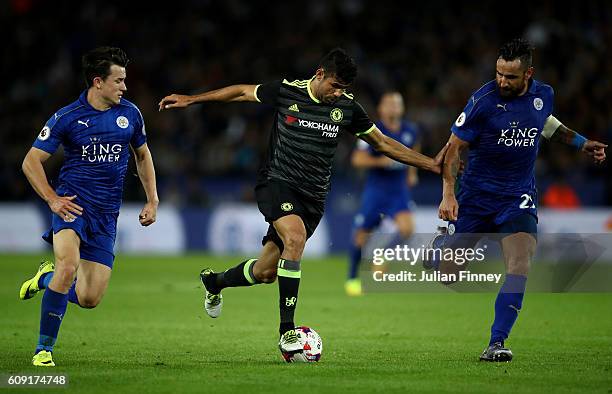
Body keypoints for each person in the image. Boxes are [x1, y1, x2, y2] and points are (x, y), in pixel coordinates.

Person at [159, 48, 448, 357]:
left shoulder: (348, 109)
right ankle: (287, 332)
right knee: (294, 239)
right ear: (319, 74)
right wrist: (193, 99)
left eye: (344, 89)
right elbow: (242, 92)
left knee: (266, 272)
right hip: (277, 183)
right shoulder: (287, 92)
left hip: (312, 198)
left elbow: (383, 143)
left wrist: (428, 163)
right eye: (335, 86)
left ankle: (214, 282)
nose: (338, 93)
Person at [436, 38, 607, 362]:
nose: (502, 81)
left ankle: (496, 343)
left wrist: (582, 143)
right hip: (476, 196)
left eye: (510, 77)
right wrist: (448, 193)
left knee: (520, 262)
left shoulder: (544, 95)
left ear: (528, 73)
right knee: (449, 274)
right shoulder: (482, 101)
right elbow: (453, 149)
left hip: (518, 196)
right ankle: (438, 250)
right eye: (499, 73)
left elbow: (546, 124)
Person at [20, 47, 159, 367]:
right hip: (73, 207)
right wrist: (52, 199)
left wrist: (152, 199)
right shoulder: (67, 117)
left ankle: (45, 279)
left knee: (89, 298)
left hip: (107, 215)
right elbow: (31, 162)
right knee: (68, 267)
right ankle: (44, 349)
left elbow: (142, 155)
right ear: (98, 82)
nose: (125, 87)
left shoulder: (131, 115)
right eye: (119, 81)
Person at [345, 91, 420, 296]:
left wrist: (412, 172)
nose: (393, 107)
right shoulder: (372, 131)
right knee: (361, 236)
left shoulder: (410, 130)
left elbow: (414, 149)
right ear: (380, 109)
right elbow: (357, 160)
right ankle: (352, 278)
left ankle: (383, 254)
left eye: (397, 104)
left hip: (398, 191)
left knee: (407, 229)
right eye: (389, 104)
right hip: (376, 191)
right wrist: (381, 161)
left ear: (402, 108)